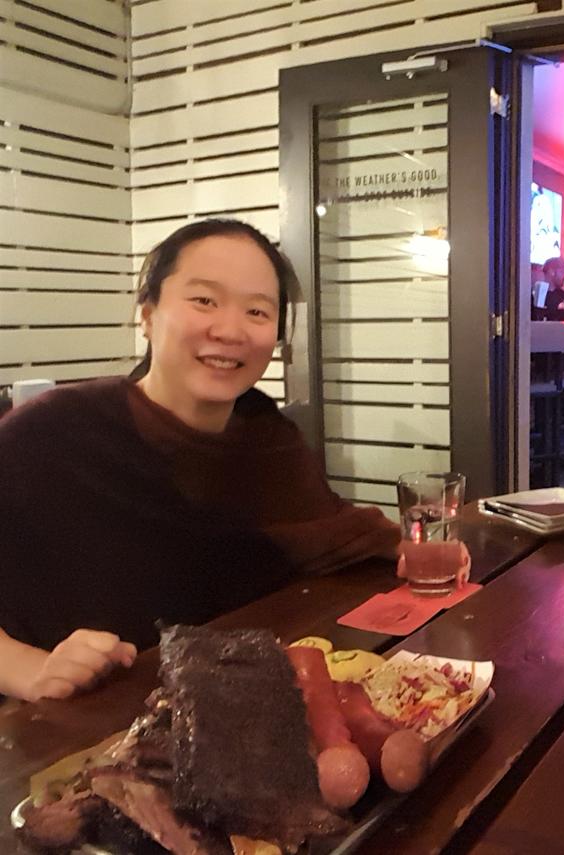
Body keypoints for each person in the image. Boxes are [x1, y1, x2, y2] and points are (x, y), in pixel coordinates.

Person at [0, 219, 412, 703]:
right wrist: (31, 671)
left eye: (257, 311)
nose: (230, 330)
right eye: (204, 300)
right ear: (147, 314)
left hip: (236, 707)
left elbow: (329, 532)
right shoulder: (54, 432)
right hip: (87, 726)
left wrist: (416, 549)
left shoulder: (266, 438)